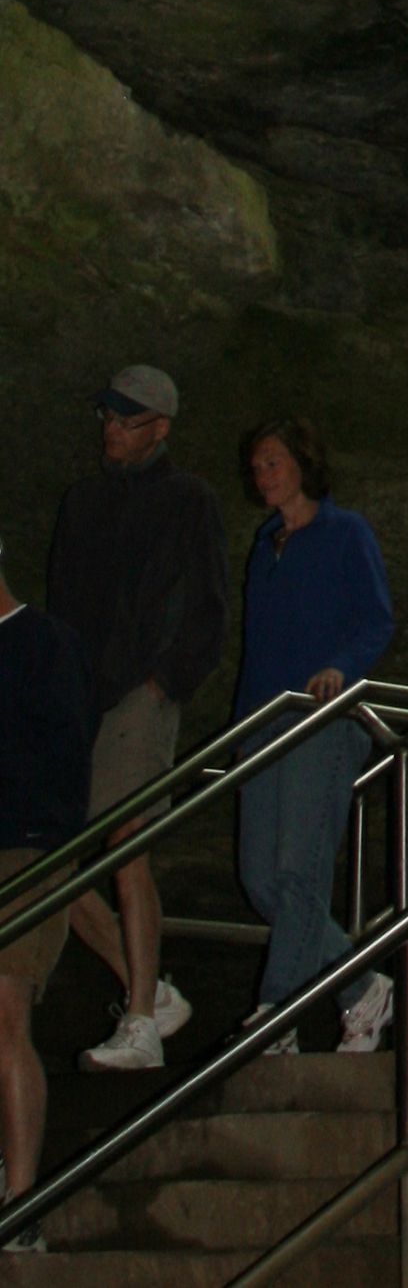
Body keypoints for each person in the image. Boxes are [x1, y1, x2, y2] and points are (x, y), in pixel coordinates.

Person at [43, 364, 228, 1073]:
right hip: (82, 696)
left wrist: (162, 683)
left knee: (125, 841)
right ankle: (151, 989)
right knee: (45, 862)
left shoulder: (188, 500)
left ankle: (143, 1020)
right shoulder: (83, 501)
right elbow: (62, 605)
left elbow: (207, 605)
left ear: (161, 428)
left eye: (127, 420)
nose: (112, 430)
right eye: (108, 418)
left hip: (139, 695)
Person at [231, 420, 396, 1058]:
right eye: (255, 467)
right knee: (261, 880)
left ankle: (276, 1017)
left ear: (303, 463)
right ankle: (360, 988)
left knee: (299, 871)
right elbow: (256, 643)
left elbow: (376, 617)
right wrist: (242, 730)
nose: (263, 475)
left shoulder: (345, 531)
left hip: (321, 720)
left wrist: (342, 669)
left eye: (272, 462)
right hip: (265, 722)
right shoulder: (266, 543)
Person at [0, 532, 91, 1248]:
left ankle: (23, 1204)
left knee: (6, 1016)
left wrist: (44, 850)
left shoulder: (43, 643)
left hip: (24, 847)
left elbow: (65, 757)